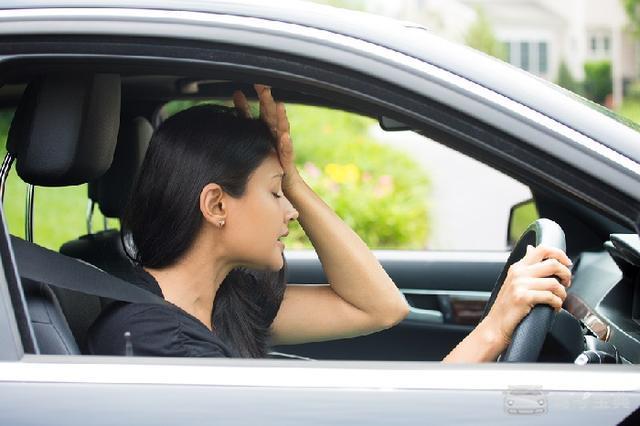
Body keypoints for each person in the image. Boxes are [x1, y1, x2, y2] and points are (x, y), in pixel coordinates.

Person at [88, 85, 573, 361]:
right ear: (216, 206)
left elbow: (379, 308)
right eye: (275, 193)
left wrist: (292, 177)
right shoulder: (163, 346)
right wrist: (494, 329)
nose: (291, 211)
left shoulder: (219, 306)